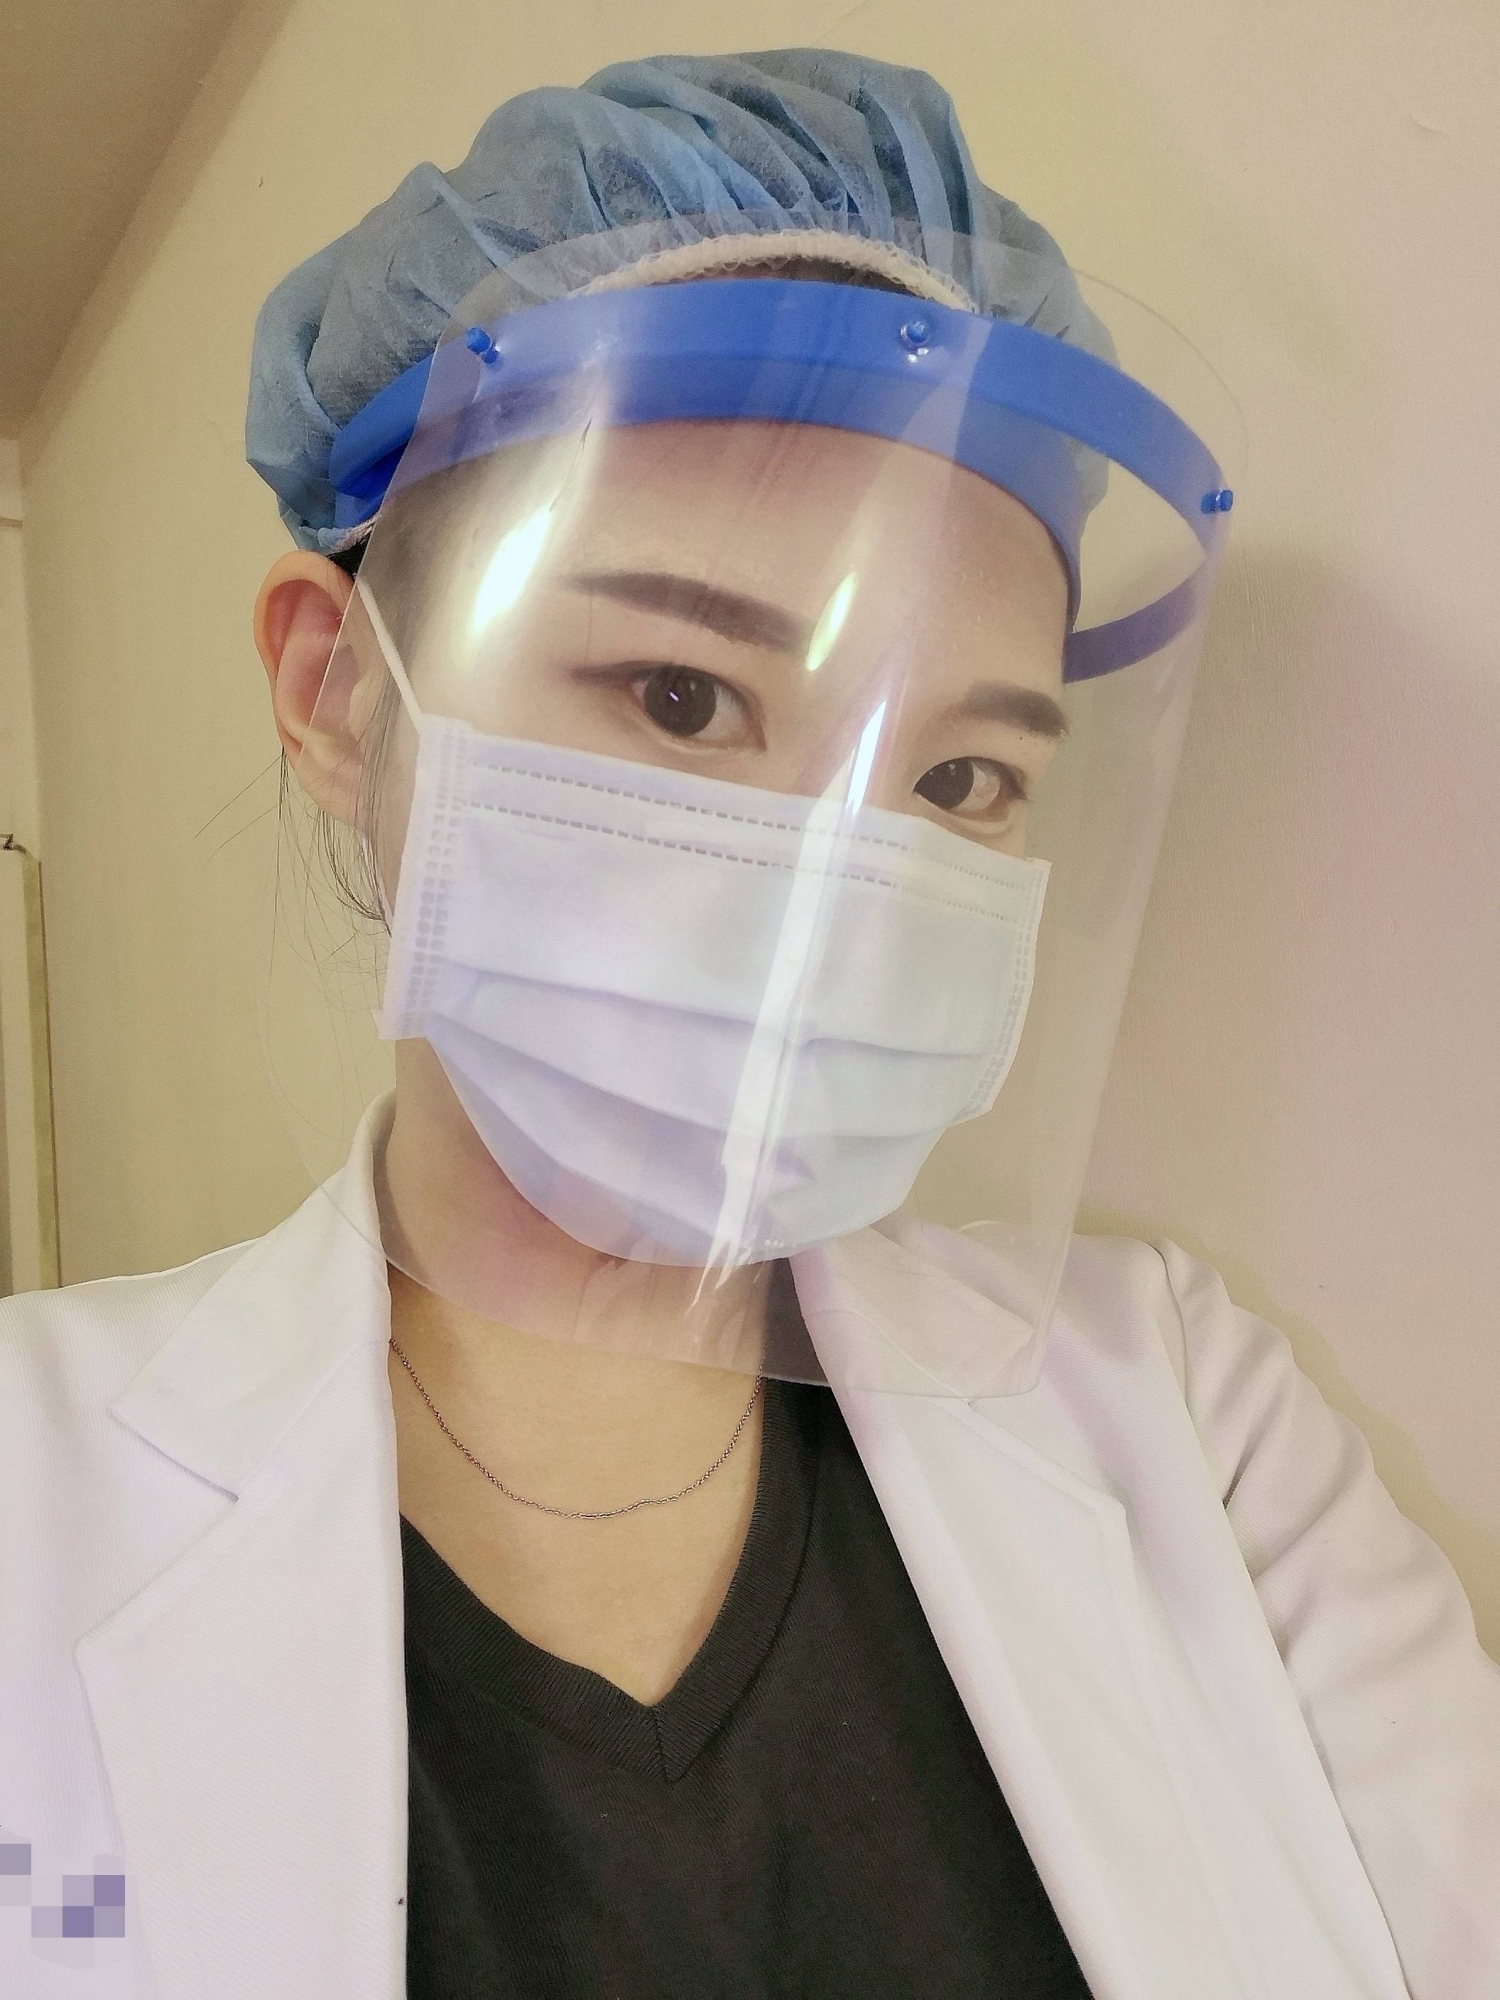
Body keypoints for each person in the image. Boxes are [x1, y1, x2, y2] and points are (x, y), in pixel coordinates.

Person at [2, 46, 1497, 2000]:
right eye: (684, 697)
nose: (831, 892)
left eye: (957, 779)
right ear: (338, 695)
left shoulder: (1198, 1427)